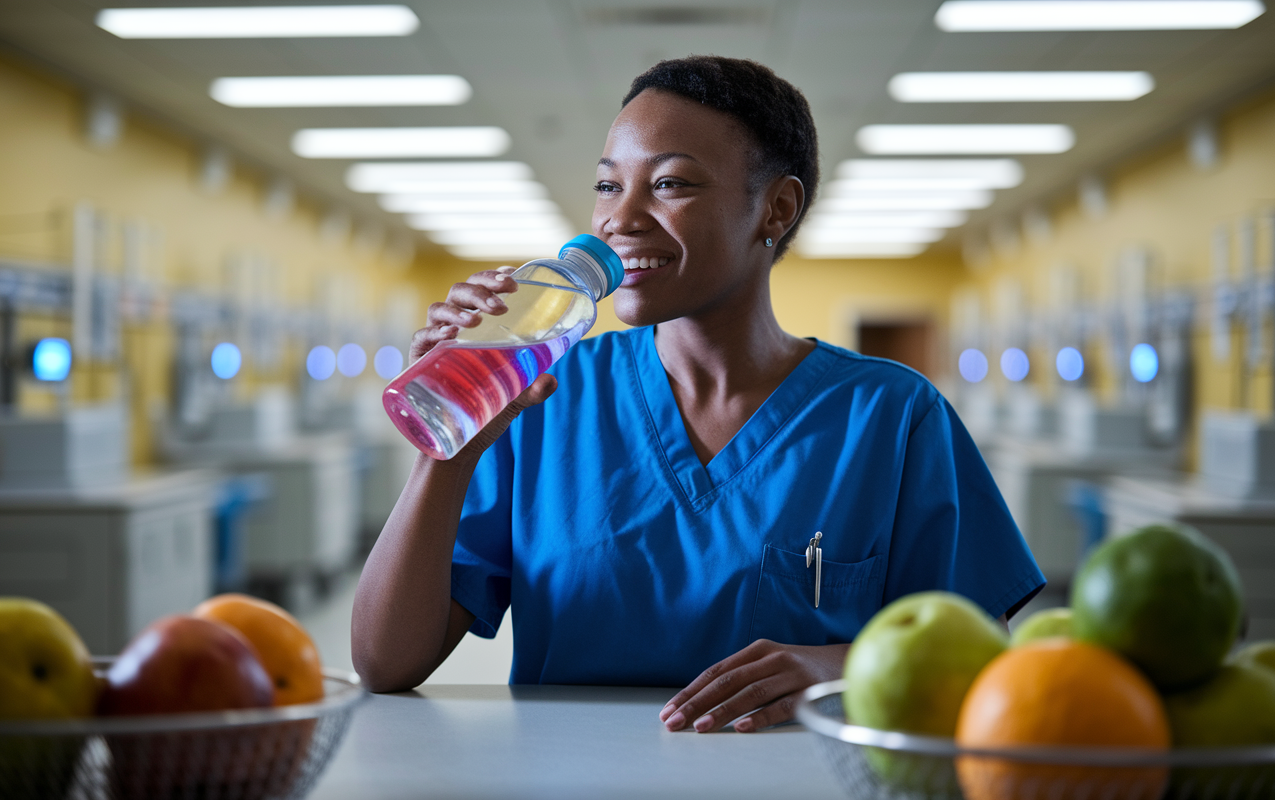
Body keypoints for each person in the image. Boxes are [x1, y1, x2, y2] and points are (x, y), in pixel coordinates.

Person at [352, 55, 1044, 733]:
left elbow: (983, 665)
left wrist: (845, 664)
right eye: (606, 185)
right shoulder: (539, 398)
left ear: (776, 208)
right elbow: (386, 664)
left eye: (671, 184)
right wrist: (449, 449)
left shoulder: (890, 417)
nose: (619, 219)